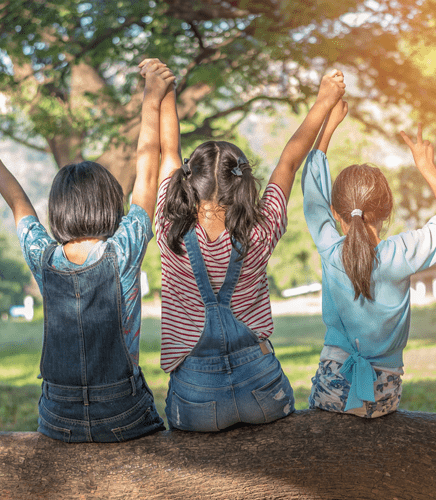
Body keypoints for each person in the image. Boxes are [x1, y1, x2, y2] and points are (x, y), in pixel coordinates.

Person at [154, 68, 345, 431]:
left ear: (189, 180)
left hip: (197, 397)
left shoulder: (169, 228)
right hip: (262, 390)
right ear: (241, 181)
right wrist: (324, 100)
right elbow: (289, 160)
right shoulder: (262, 228)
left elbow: (168, 150)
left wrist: (166, 92)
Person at [0, 59, 174, 442]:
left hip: (58, 418)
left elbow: (17, 202)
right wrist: (152, 95)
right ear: (111, 205)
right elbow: (147, 169)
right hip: (122, 413)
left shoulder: (42, 258)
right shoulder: (124, 249)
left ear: (58, 210)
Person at [302, 97, 436, 417]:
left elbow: (312, 199)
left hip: (332, 388)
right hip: (384, 395)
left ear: (336, 213)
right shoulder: (402, 254)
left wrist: (327, 128)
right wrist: (427, 168)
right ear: (387, 211)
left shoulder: (330, 250)